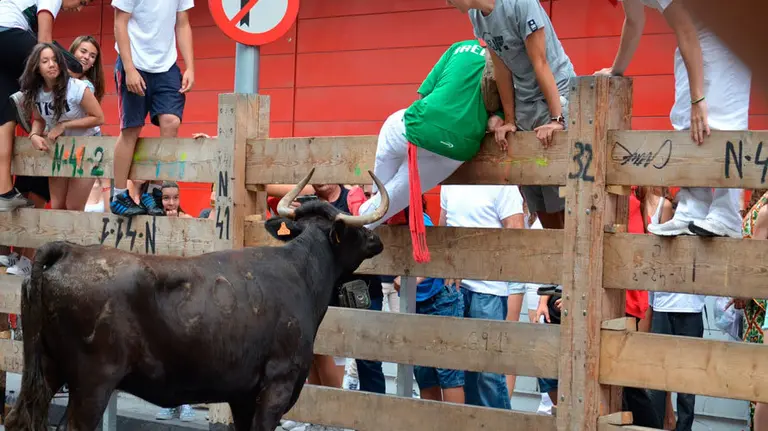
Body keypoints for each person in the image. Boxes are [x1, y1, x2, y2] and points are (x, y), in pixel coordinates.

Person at [596, 0, 748, 239]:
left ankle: (727, 213)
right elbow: (634, 21)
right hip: (696, 35)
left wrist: (698, 99)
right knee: (685, 121)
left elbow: (685, 28)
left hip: (729, 32)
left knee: (723, 122)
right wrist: (616, 70)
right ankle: (693, 207)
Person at [357, 39, 501, 263]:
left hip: (417, 130)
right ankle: (370, 213)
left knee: (389, 144)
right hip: (458, 149)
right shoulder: (509, 62)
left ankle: (371, 199)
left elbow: (425, 94)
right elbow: (496, 121)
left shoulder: (458, 47)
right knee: (394, 195)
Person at [448, 0, 577, 230]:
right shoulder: (477, 16)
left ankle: (570, 262)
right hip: (524, 100)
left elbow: (540, 61)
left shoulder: (520, 4)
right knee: (537, 193)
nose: (447, 2)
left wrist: (557, 119)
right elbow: (501, 67)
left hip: (555, 91)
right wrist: (509, 120)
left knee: (560, 192)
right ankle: (553, 261)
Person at [0, 0, 92, 211]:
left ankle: (3, 192)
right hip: (7, 31)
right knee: (63, 65)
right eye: (82, 1)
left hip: (4, 44)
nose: (80, 6)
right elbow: (44, 42)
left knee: (5, 117)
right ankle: (28, 100)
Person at [440, 184, 525, 409]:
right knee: (460, 370)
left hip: (488, 290)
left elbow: (516, 234)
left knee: (488, 373)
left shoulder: (503, 186)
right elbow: (443, 229)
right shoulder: (450, 182)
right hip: (454, 290)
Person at [109, 0, 195, 217]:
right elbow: (120, 23)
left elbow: (183, 23)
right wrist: (128, 68)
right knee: (131, 129)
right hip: (134, 62)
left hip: (166, 66)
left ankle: (155, 190)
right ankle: (119, 194)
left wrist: (190, 67)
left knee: (171, 121)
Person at [19, 41, 104, 212]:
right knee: (58, 207)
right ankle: (60, 240)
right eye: (45, 61)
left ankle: (75, 240)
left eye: (55, 60)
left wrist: (64, 125)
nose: (51, 65)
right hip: (60, 149)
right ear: (37, 67)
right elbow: (39, 119)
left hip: (86, 147)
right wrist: (34, 135)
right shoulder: (36, 92)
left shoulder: (76, 87)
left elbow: (99, 117)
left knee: (73, 207)